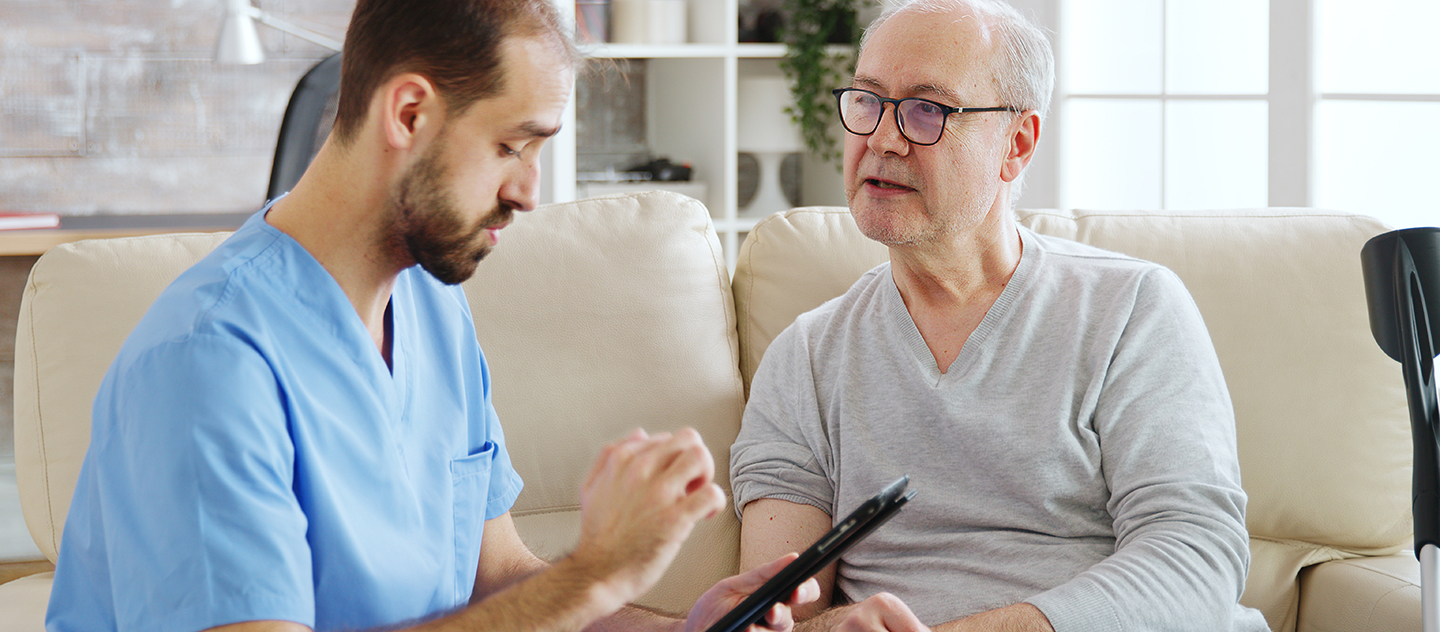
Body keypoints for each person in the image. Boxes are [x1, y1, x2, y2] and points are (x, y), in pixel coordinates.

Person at [44, 1, 816, 631]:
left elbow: (502, 580)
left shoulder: (430, 306)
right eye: (513, 145)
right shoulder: (205, 360)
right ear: (409, 112)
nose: (529, 192)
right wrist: (595, 572)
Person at [729, 1, 1271, 631]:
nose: (880, 137)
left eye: (927, 109)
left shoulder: (1132, 309)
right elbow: (774, 615)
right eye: (868, 101)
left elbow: (1196, 560)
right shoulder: (807, 358)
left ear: (1017, 144)